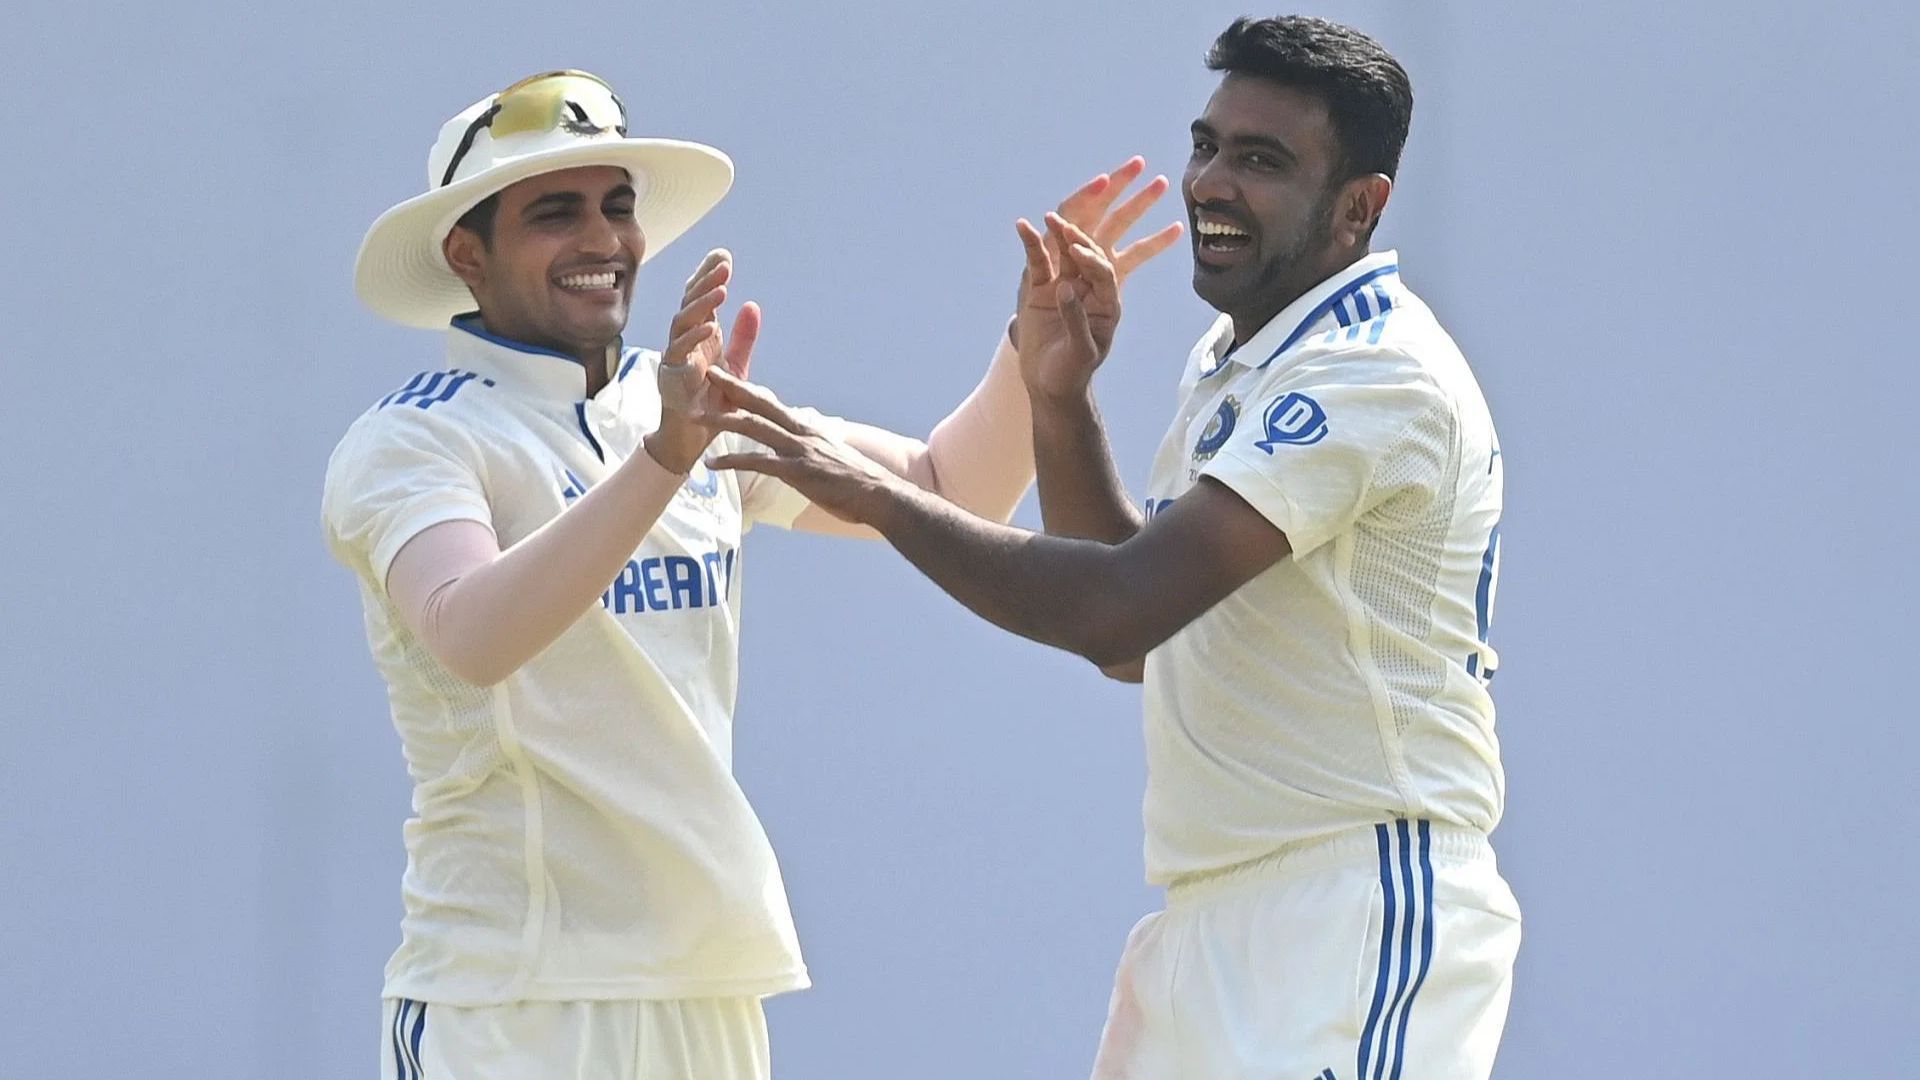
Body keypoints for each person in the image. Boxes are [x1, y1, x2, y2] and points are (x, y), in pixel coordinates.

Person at [698, 16, 1521, 1079]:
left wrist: (874, 495)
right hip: (1212, 916)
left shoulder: (1376, 371)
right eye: (1208, 146)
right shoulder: (1246, 358)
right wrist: (1059, 397)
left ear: (1359, 206)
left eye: (1262, 161)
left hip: (1356, 902)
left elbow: (1119, 605)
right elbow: (1137, 645)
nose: (1212, 183)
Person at [320, 70, 1178, 1079]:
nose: (602, 239)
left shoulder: (677, 399)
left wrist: (1030, 367)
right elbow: (471, 636)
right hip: (510, 997)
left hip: (704, 986)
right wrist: (665, 460)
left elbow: (947, 487)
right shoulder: (416, 438)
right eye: (555, 212)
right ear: (467, 254)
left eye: (618, 206)